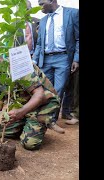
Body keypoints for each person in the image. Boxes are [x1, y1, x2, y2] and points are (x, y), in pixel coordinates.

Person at [0, 48, 60, 150]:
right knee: (3, 132)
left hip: (43, 103)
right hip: (22, 104)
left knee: (29, 143)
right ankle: (29, 122)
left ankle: (43, 120)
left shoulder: (19, 65)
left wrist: (21, 112)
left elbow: (39, 94)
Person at [32, 0, 79, 133]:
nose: (40, 6)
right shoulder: (43, 21)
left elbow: (78, 39)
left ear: (52, 1)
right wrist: (34, 61)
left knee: (58, 90)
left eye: (42, 3)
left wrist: (76, 59)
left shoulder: (72, 14)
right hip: (45, 59)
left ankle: (51, 120)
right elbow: (40, 44)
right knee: (45, 89)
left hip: (63, 58)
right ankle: (44, 118)